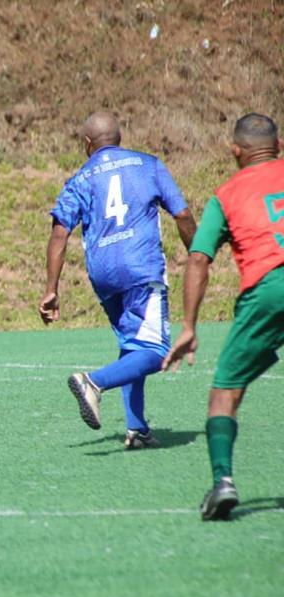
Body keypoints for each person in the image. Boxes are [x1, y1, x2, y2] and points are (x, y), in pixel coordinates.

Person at [40, 111, 197, 448]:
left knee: (132, 345)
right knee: (157, 352)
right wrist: (197, 255)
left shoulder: (80, 179)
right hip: (141, 268)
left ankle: (137, 428)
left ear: (87, 144)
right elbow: (182, 214)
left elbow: (59, 234)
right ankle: (93, 383)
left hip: (104, 275)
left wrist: (51, 289)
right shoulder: (148, 165)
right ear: (119, 137)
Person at [162, 113, 284, 521]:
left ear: (235, 152)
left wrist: (189, 327)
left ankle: (223, 483)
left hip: (269, 289)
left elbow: (198, 258)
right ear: (278, 147)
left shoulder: (227, 194)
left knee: (224, 393)